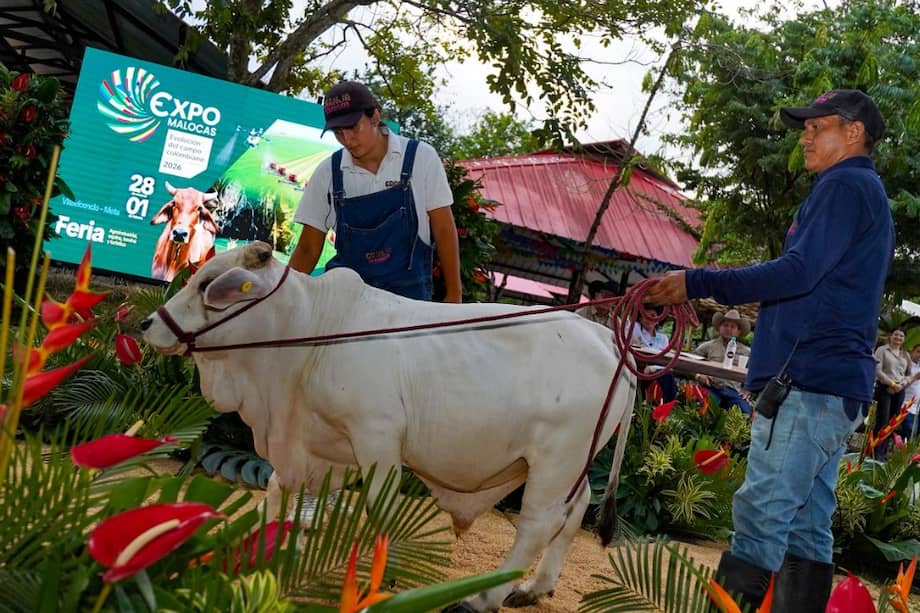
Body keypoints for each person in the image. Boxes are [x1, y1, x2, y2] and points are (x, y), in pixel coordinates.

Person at [645, 89, 893, 612]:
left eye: (816, 126)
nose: (804, 135)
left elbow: (797, 273)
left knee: (762, 514)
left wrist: (696, 281)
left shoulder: (845, 185)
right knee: (806, 526)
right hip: (829, 386)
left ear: (853, 133)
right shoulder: (857, 189)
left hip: (807, 382)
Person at [290, 80, 462, 302]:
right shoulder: (327, 174)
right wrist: (282, 299)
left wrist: (454, 295)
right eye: (338, 133)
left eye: (352, 128)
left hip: (410, 305)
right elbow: (307, 250)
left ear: (375, 116)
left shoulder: (422, 158)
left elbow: (444, 228)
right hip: (348, 304)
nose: (346, 140)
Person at [693, 310, 753, 415]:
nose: (728, 329)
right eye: (725, 325)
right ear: (719, 328)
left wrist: (748, 389)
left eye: (732, 327)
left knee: (745, 413)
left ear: (738, 332)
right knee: (705, 410)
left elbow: (754, 374)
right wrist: (698, 375)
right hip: (712, 387)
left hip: (734, 391)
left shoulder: (747, 352)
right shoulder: (707, 346)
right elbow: (690, 365)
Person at [873, 328, 913, 456]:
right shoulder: (882, 350)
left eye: (901, 336)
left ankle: (883, 452)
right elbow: (878, 370)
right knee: (882, 420)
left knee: (892, 423)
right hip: (885, 388)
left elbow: (908, 375)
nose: (898, 337)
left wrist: (901, 385)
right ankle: (874, 451)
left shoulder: (905, 355)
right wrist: (891, 383)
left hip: (899, 390)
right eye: (896, 334)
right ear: (891, 336)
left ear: (904, 339)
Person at [631, 306, 678, 402]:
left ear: (658, 319)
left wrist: (653, 368)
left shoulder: (663, 338)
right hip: (639, 371)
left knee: (667, 376)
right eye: (645, 315)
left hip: (657, 372)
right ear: (640, 318)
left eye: (653, 316)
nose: (649, 319)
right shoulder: (636, 328)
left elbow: (666, 361)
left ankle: (665, 407)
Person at [900, 343, 920, 439]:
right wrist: (915, 377)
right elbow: (899, 385)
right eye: (918, 352)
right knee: (910, 435)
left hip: (918, 409)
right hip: (907, 407)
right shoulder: (906, 366)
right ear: (911, 352)